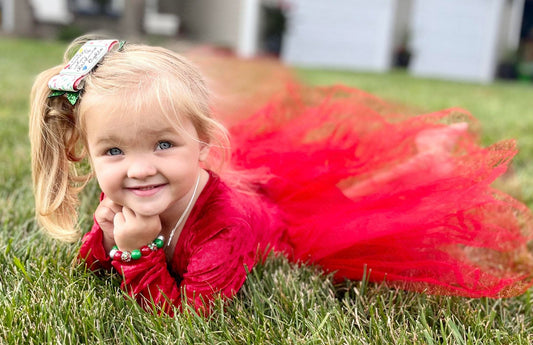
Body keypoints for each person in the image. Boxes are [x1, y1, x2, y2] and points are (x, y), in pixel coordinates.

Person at [29, 36, 533, 316]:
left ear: (202, 143)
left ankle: (426, 160)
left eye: (164, 144)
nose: (139, 169)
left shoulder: (224, 229)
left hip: (272, 228)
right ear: (87, 153)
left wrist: (137, 253)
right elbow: (93, 263)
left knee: (355, 209)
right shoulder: (128, 186)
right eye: (114, 151)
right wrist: (107, 235)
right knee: (334, 191)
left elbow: (190, 318)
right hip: (240, 199)